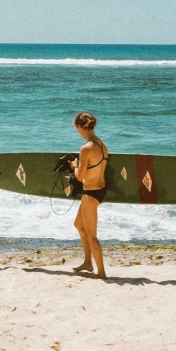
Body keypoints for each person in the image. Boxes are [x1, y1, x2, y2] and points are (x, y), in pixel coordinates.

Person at [70, 112, 108, 278]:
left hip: (91, 193)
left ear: (80, 127)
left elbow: (80, 176)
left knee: (92, 236)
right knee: (79, 224)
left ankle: (102, 273)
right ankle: (87, 262)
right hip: (99, 190)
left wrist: (74, 165)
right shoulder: (101, 144)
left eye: (77, 128)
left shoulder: (85, 149)